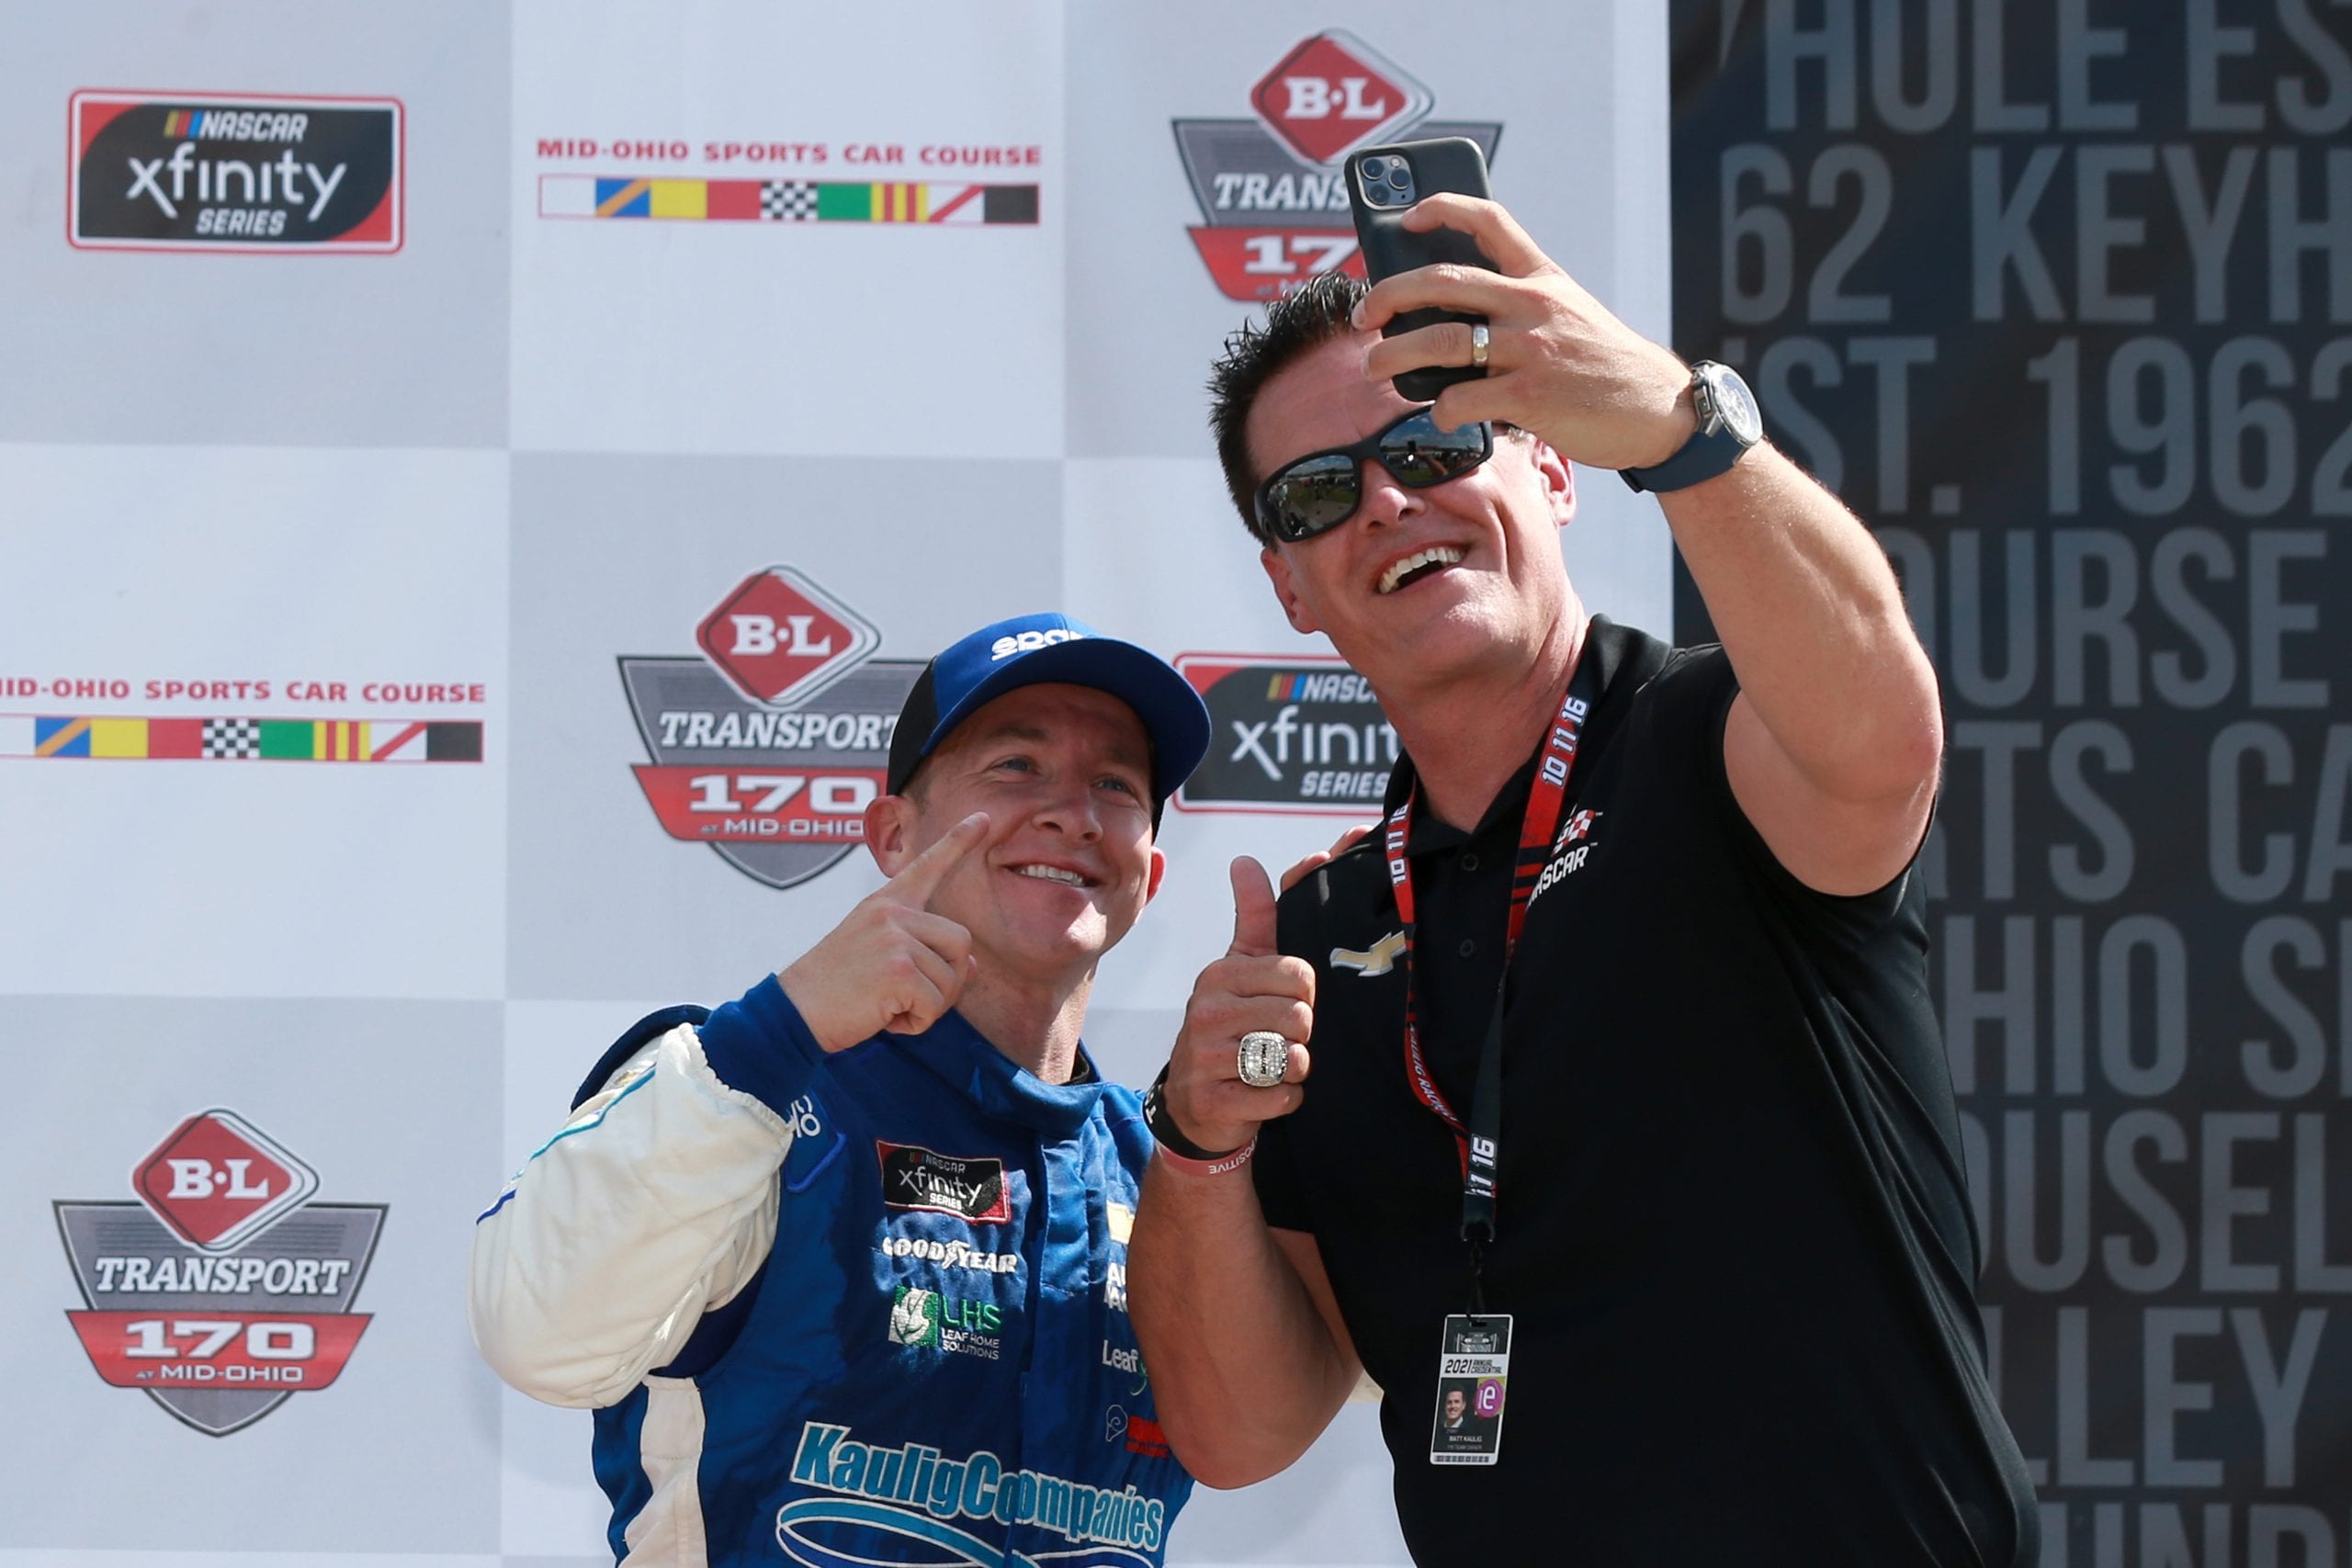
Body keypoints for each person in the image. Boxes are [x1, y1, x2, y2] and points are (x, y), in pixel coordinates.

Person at [1126, 197, 2040, 1565]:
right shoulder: (1320, 933)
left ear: (1551, 468)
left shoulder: (1713, 744)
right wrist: (1201, 1147)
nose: (1385, 499)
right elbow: (1239, 1431)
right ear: (1291, 586)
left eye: (1433, 442)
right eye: (1318, 494)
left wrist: (1682, 429)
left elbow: (1881, 736)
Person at [469, 612, 1212, 1568]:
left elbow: (1379, 1351)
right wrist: (777, 1029)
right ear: (894, 836)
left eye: (1114, 784)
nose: (1072, 812)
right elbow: (537, 1334)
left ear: (1147, 874)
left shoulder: (1178, 1172)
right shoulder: (743, 1088)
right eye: (1016, 767)